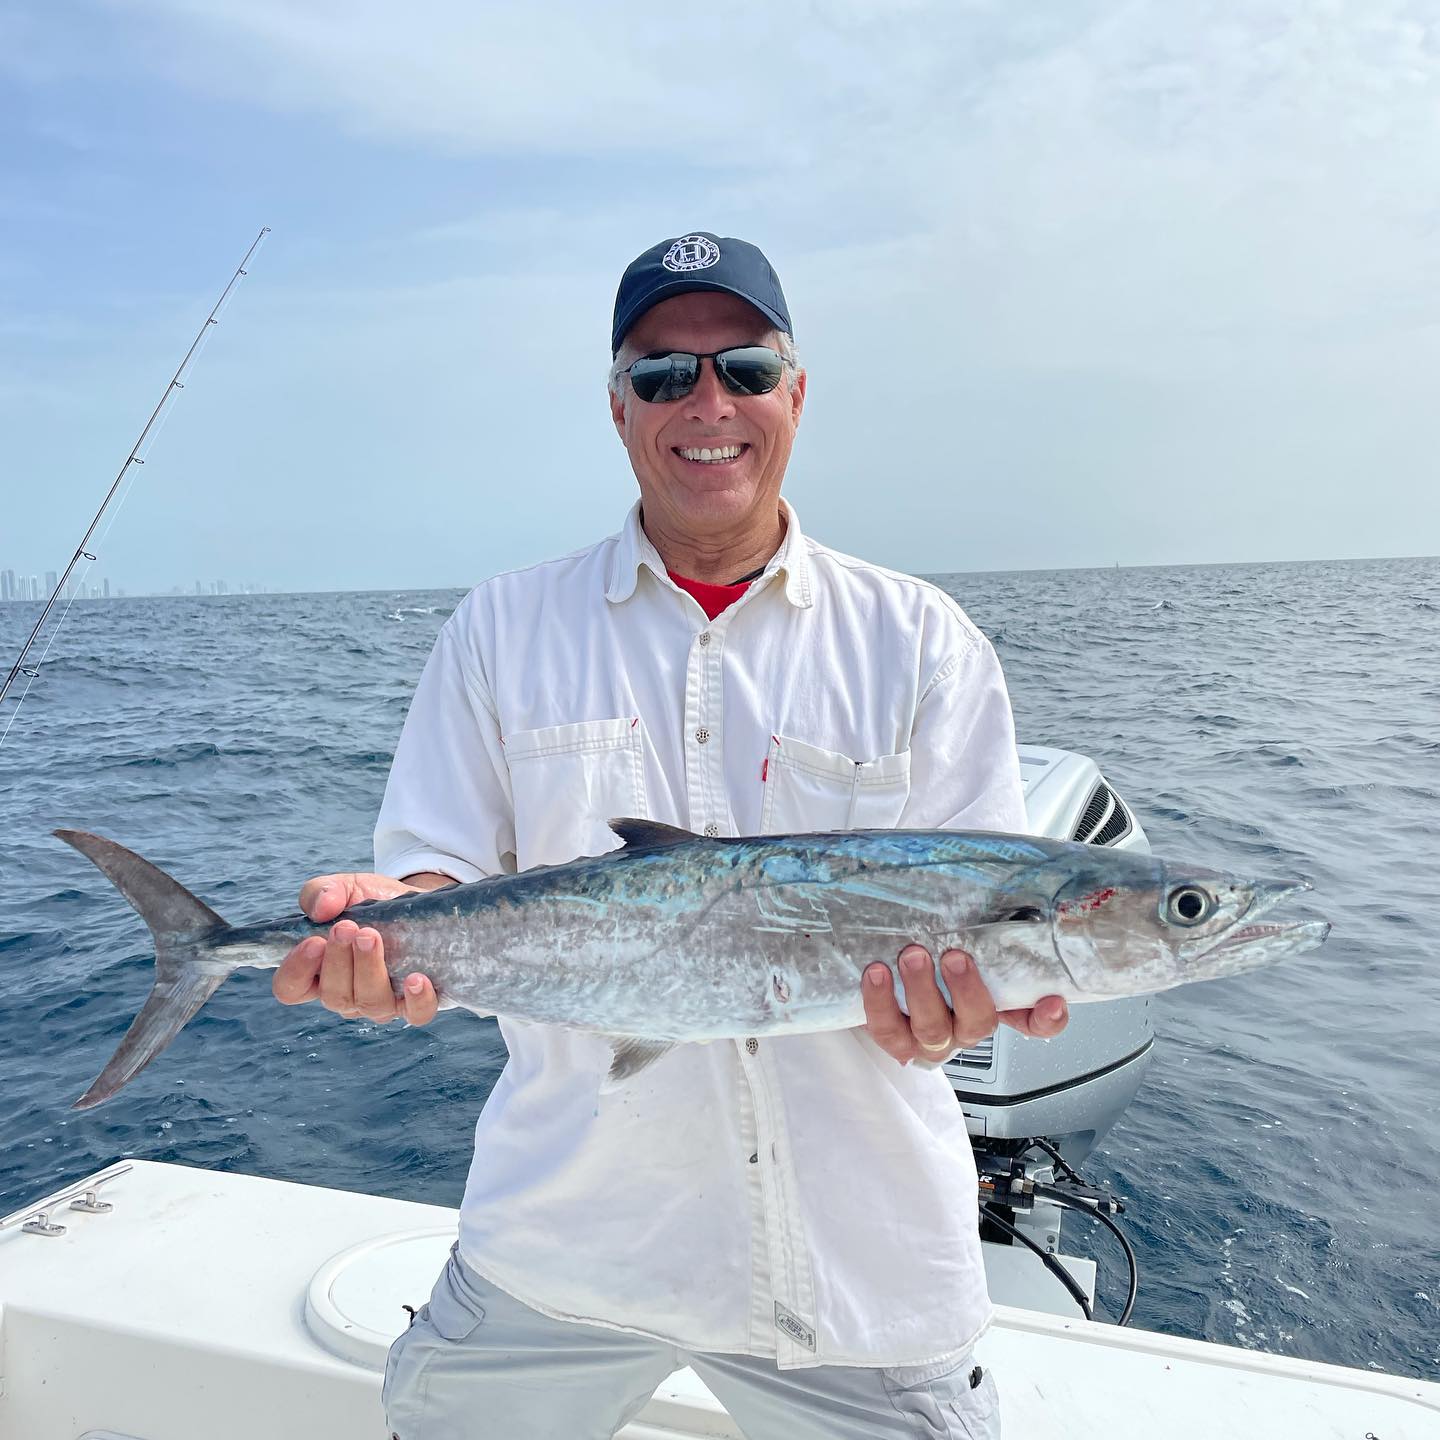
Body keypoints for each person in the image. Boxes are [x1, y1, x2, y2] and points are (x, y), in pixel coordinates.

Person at [273, 231, 1069, 1440]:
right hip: (563, 1246)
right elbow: (435, 866)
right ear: (617, 407)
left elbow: (979, 903)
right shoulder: (503, 627)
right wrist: (390, 929)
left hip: (861, 1276)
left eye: (745, 369)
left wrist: (956, 1017)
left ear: (796, 394)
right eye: (662, 375)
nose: (709, 404)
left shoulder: (923, 640)